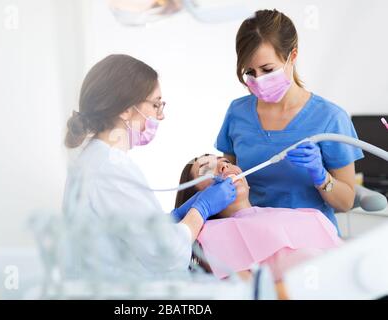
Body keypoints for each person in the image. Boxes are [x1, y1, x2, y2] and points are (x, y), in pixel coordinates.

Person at [62, 54, 236, 278]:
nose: (160, 116)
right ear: (125, 109)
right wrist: (200, 210)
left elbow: (130, 230)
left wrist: (170, 219)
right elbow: (166, 254)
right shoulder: (110, 168)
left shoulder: (96, 160)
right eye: (155, 105)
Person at [216, 9, 364, 233]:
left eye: (267, 69)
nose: (258, 80)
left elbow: (346, 203)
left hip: (309, 241)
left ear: (292, 56)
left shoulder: (330, 118)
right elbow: (227, 181)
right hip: (252, 236)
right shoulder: (238, 112)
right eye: (250, 72)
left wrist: (322, 177)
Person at [174, 154, 343, 282]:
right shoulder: (209, 237)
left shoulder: (304, 214)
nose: (224, 167)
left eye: (226, 162)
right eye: (205, 170)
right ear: (196, 196)